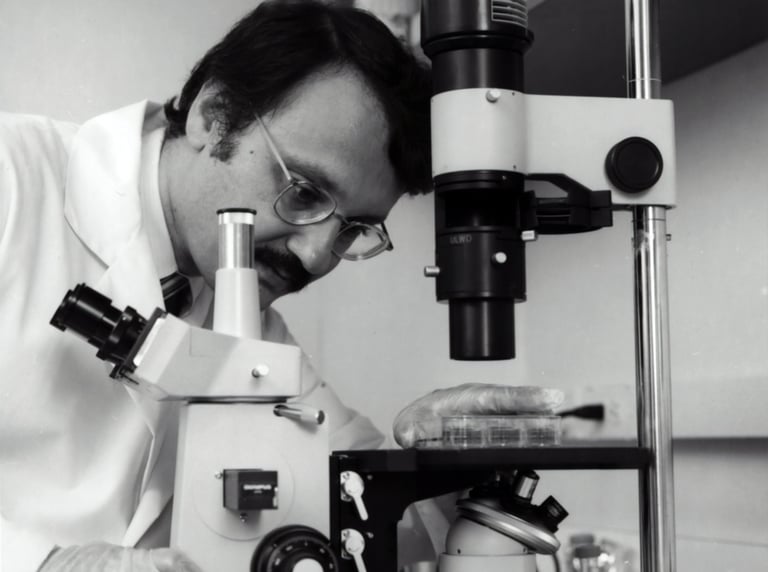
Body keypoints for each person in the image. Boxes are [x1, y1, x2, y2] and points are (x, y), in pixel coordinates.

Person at [0, 1, 431, 570]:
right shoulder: (12, 180)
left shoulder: (254, 334)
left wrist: (449, 453)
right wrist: (41, 562)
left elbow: (380, 505)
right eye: (303, 192)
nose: (313, 254)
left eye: (352, 230)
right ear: (214, 113)